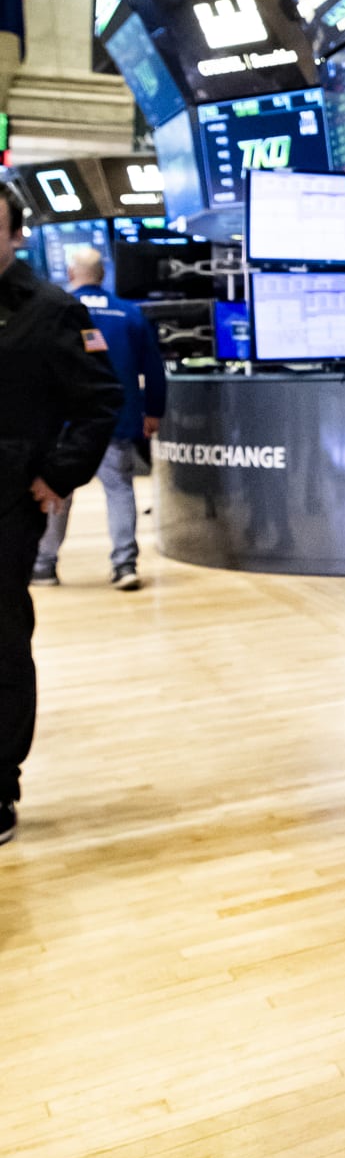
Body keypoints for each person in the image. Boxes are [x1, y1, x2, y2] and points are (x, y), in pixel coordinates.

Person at [0, 182, 124, 844]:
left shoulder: (50, 311)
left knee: (1, 645)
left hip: (7, 506)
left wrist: (58, 474)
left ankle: (0, 785)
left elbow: (101, 400)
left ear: (15, 235)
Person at [31, 244, 166, 591]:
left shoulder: (53, 311)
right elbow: (154, 368)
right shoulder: (130, 314)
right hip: (117, 419)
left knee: (57, 488)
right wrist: (154, 411)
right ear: (103, 276)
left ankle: (44, 566)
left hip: (63, 423)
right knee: (120, 489)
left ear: (72, 273)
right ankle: (125, 566)